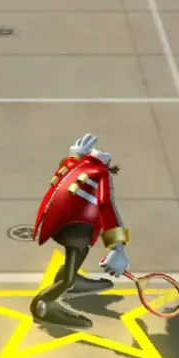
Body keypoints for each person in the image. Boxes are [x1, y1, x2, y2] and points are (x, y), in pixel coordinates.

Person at [30, 133, 131, 329]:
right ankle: (44, 303)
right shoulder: (101, 174)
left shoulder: (74, 165)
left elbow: (63, 172)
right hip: (78, 231)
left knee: (77, 256)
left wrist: (75, 156)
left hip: (62, 225)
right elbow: (106, 207)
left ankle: (70, 278)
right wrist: (117, 246)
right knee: (75, 259)